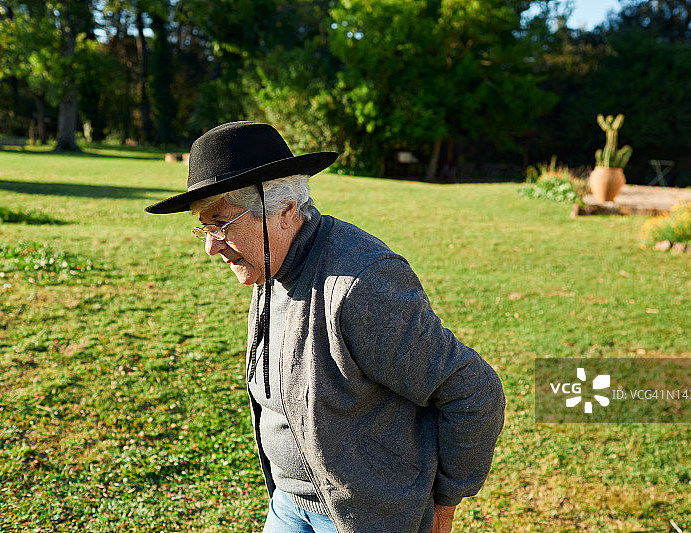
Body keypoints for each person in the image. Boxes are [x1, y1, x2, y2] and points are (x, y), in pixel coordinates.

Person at [145, 121, 505, 533]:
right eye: (204, 227)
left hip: (367, 517)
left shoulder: (360, 284)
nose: (211, 246)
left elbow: (473, 390)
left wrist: (443, 507)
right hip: (289, 502)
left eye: (221, 224)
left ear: (284, 211)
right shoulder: (271, 264)